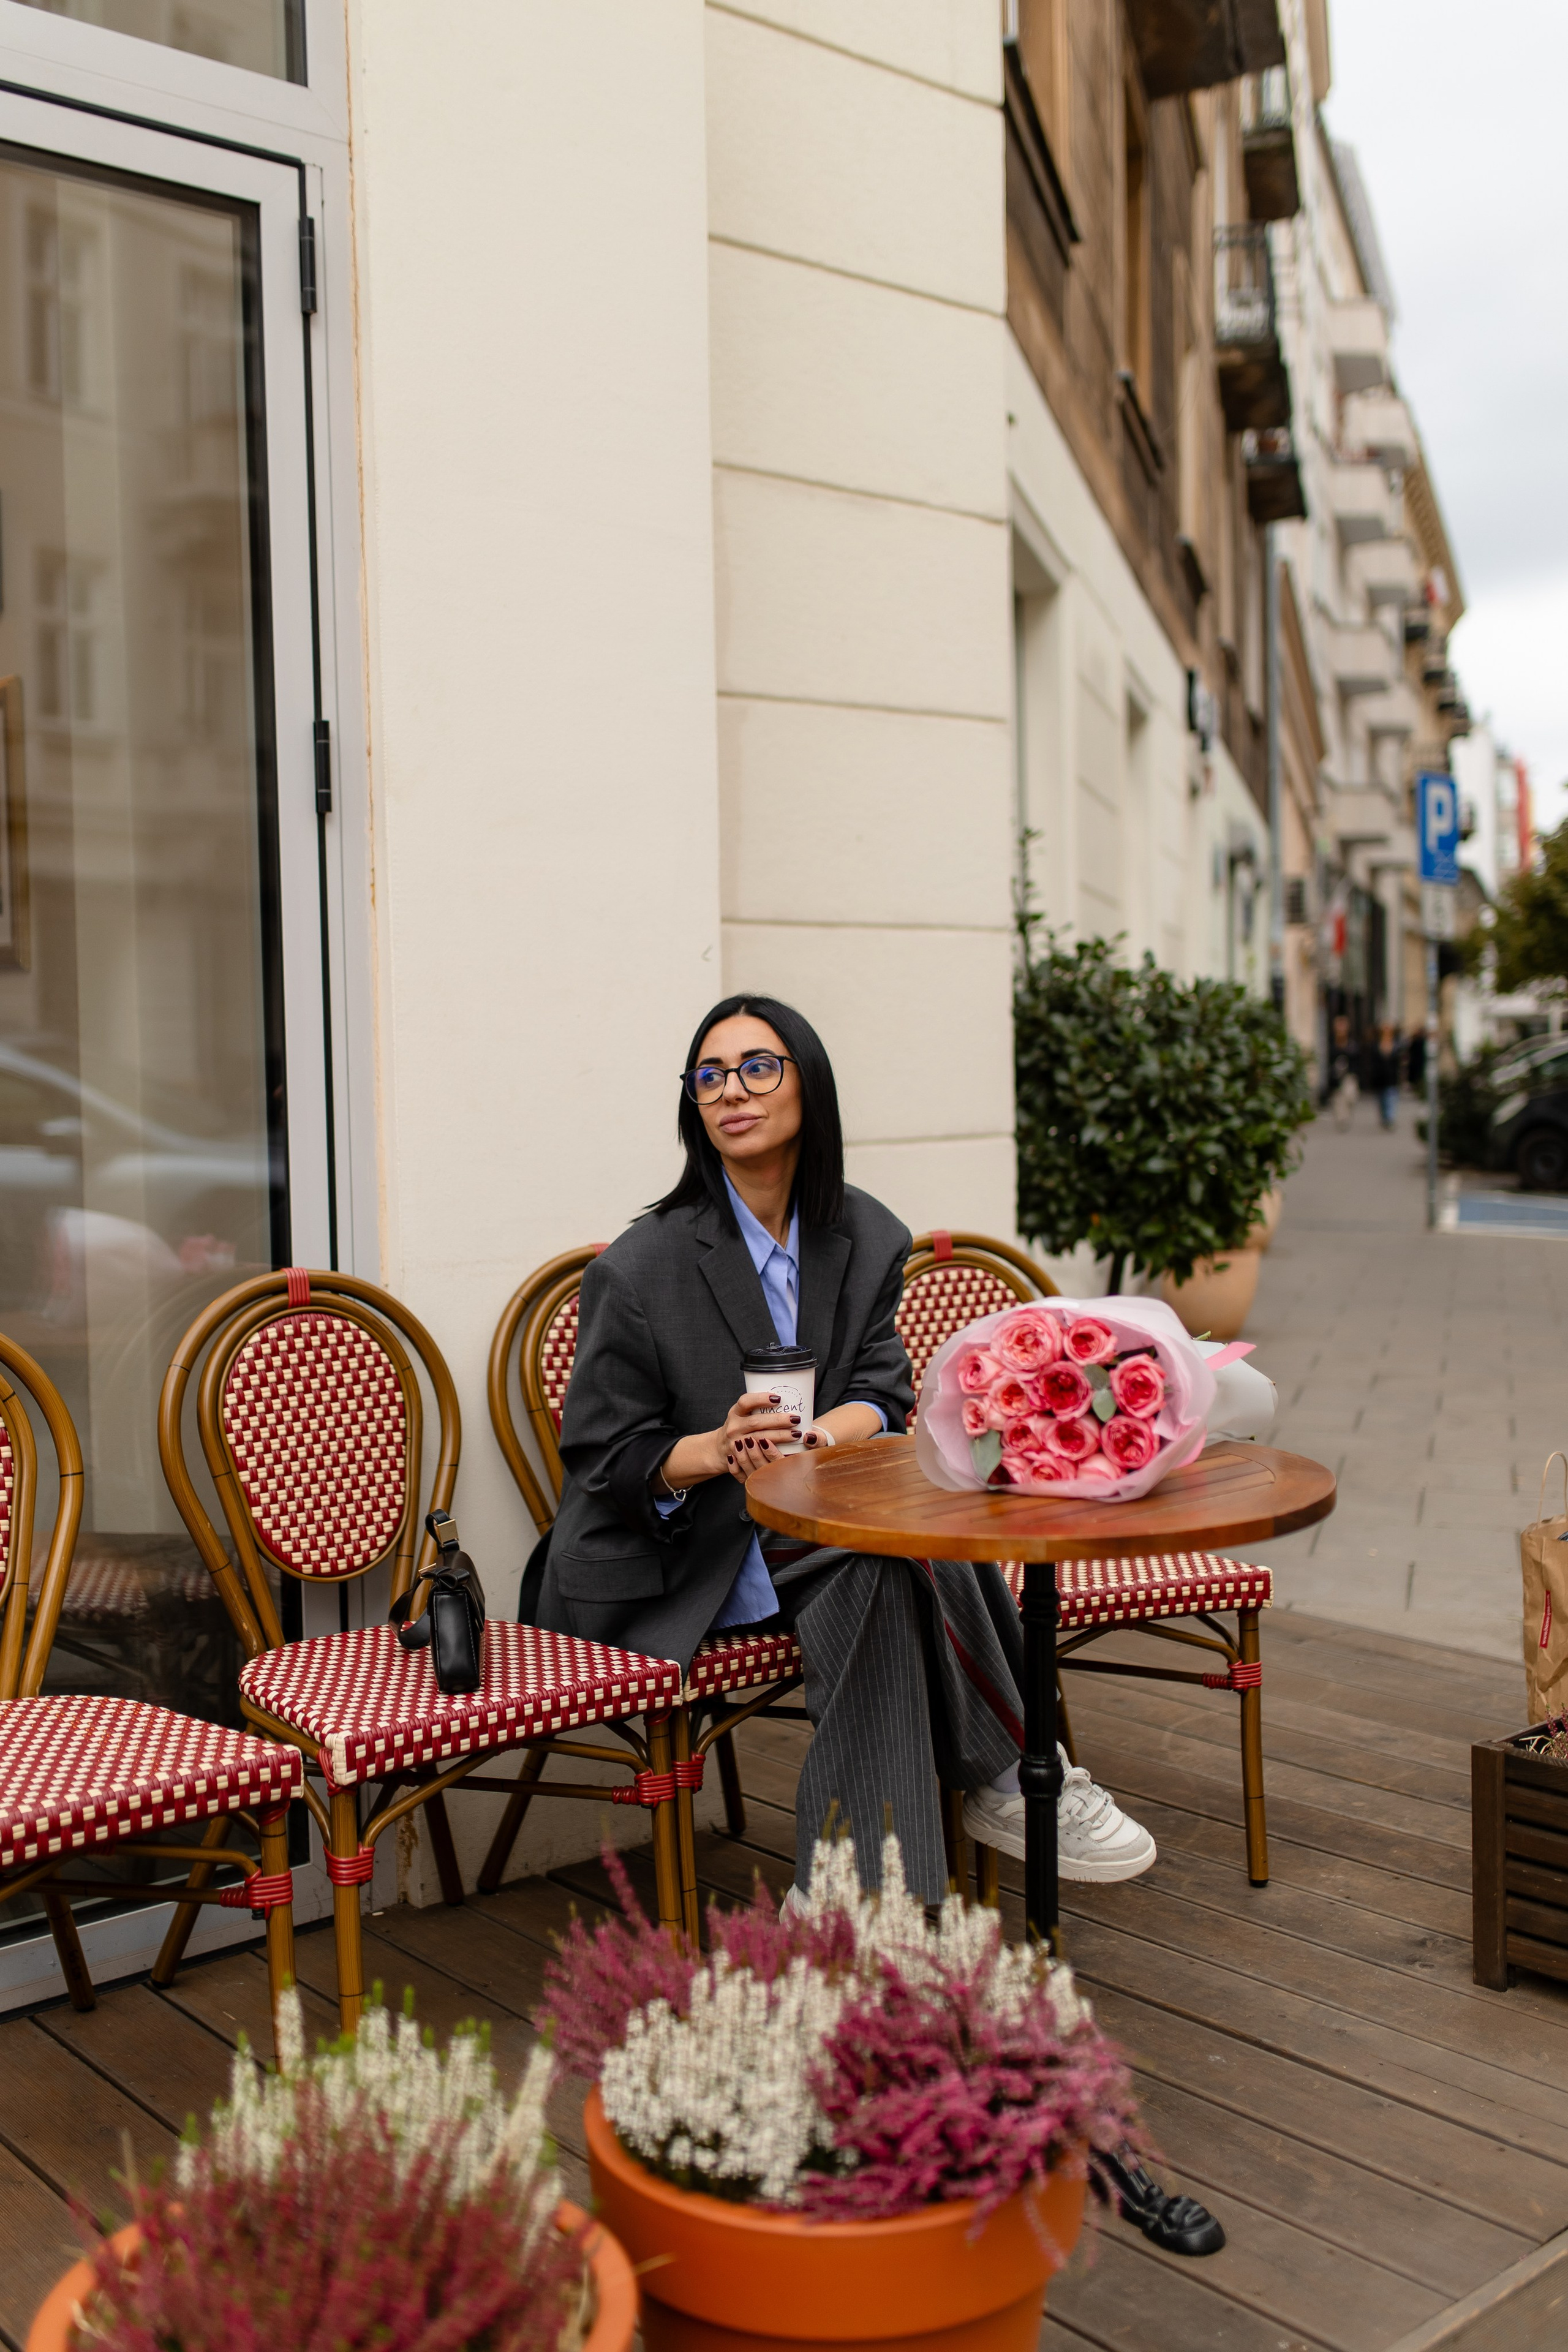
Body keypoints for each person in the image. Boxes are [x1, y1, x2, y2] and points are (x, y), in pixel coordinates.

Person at [527, 993, 1156, 1905]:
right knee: (896, 1547)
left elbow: (880, 1392)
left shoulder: (863, 1235)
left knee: (874, 1573)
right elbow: (600, 1458)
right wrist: (716, 1448)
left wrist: (817, 1442)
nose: (731, 1091)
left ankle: (858, 1906)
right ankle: (1018, 1770)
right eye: (709, 1076)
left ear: (808, 1088)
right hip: (673, 1557)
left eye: (757, 1068)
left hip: (816, 1543)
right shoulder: (639, 1268)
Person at [1329, 1014, 1359, 1130]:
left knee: (1350, 1096)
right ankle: (1342, 1119)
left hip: (1349, 1075)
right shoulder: (1331, 1042)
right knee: (1339, 1098)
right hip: (1336, 1076)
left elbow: (1357, 1059)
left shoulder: (1352, 1043)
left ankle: (1346, 1114)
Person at [1371, 1023, 1403, 1129]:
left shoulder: (1396, 1045)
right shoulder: (1377, 1045)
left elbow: (1399, 1062)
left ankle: (1389, 1118)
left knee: (1390, 1098)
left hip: (1392, 1078)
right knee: (1382, 1100)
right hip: (1380, 1078)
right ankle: (1385, 1118)